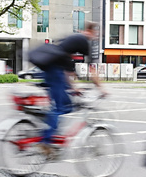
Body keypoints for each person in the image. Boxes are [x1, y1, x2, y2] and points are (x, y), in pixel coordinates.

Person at [40, 22, 104, 156]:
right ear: (91, 31)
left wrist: (74, 87)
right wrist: (101, 88)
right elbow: (92, 70)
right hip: (54, 70)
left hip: (50, 70)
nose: (95, 36)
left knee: (65, 105)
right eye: (96, 33)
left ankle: (49, 131)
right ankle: (45, 140)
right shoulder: (84, 42)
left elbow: (67, 69)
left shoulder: (73, 40)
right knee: (61, 107)